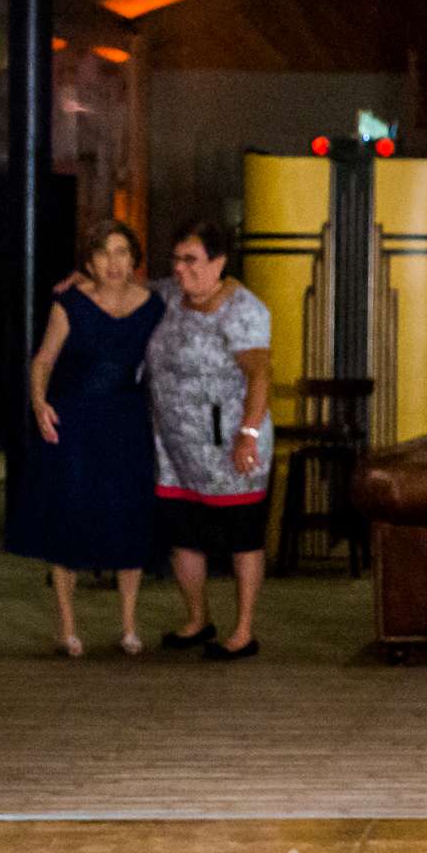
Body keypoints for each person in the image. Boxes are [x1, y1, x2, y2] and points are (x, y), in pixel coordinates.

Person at [4, 220, 165, 655]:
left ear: (134, 259)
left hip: (126, 418)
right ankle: (67, 626)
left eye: (121, 253)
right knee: (69, 513)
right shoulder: (70, 304)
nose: (113, 263)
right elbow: (42, 361)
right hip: (73, 416)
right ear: (89, 261)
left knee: (128, 513)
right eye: (102, 254)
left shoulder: (153, 305)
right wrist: (39, 404)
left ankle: (129, 625)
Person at [144, 219, 274, 659]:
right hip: (176, 446)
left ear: (218, 262)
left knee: (242, 535)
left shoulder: (243, 310)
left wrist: (248, 433)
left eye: (191, 260)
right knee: (184, 532)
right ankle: (197, 617)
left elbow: (260, 374)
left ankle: (242, 630)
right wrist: (80, 280)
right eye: (177, 260)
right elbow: (122, 289)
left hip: (229, 444)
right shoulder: (169, 298)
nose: (181, 269)